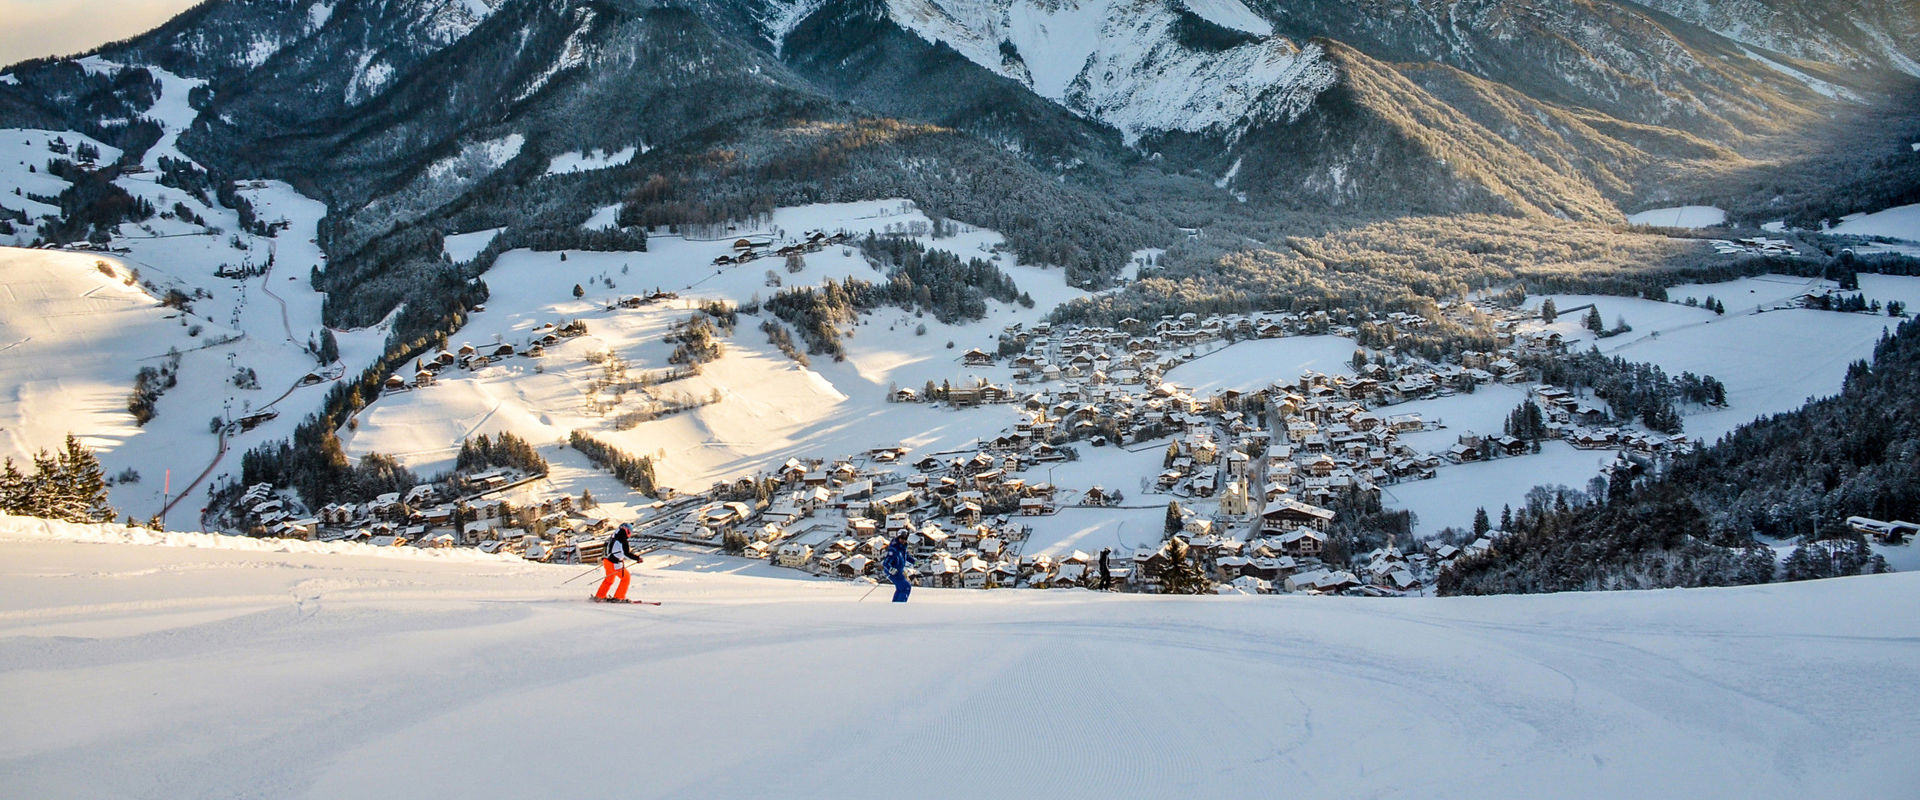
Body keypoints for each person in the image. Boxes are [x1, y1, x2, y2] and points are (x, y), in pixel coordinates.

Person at [595, 524, 644, 603]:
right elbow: (626, 554)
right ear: (627, 531)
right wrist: (637, 558)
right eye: (630, 532)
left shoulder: (614, 536)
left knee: (609, 580)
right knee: (626, 578)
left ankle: (600, 596)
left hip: (607, 561)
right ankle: (619, 597)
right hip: (615, 564)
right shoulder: (623, 540)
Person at [881, 532, 916, 603]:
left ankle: (896, 604)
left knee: (901, 588)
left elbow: (907, 557)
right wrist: (890, 569)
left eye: (905, 539)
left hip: (899, 571)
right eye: (902, 538)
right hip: (893, 572)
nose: (903, 540)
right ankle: (900, 605)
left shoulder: (902, 548)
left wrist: (915, 562)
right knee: (906, 587)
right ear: (898, 538)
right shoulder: (894, 549)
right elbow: (886, 563)